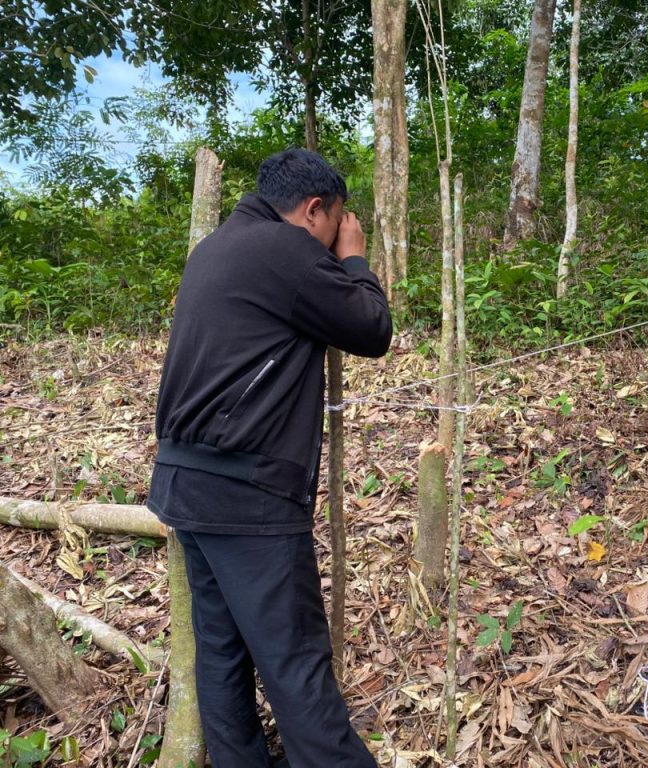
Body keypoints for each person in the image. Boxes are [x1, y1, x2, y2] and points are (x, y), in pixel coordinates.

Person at [147, 148, 390, 768]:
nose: (336, 232)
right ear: (315, 210)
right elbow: (370, 327)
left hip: (184, 481)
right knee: (294, 659)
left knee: (222, 650)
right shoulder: (287, 250)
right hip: (245, 491)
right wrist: (354, 253)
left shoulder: (216, 249)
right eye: (336, 220)